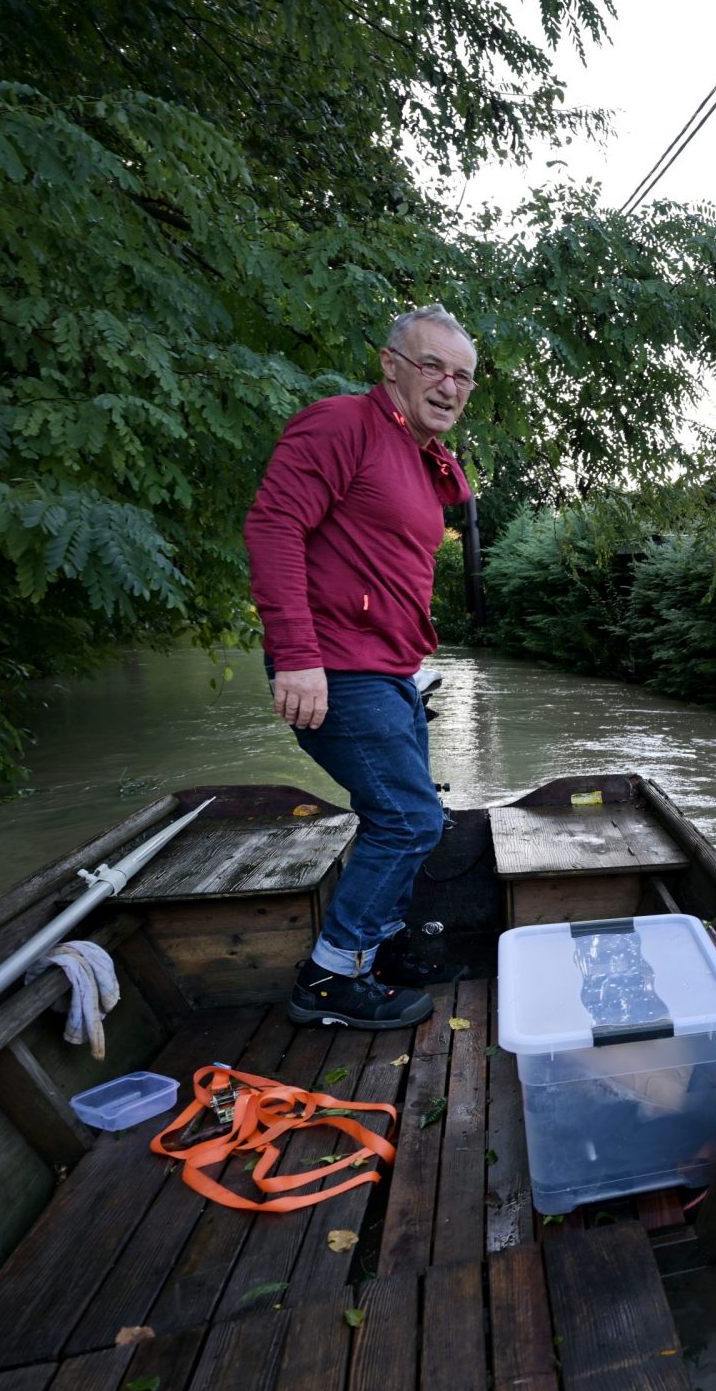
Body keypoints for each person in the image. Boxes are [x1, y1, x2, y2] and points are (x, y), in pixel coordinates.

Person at [244, 304, 478, 1029]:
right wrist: (297, 657)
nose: (448, 385)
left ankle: (377, 953)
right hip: (337, 666)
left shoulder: (415, 454)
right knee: (409, 819)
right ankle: (328, 980)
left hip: (386, 668)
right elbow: (274, 527)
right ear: (389, 365)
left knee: (408, 814)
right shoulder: (341, 424)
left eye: (463, 376)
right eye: (431, 366)